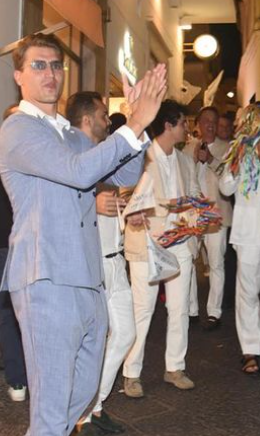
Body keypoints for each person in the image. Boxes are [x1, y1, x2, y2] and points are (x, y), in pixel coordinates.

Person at [0, 33, 165, 435]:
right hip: (46, 277)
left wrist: (132, 122)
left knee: (84, 393)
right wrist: (137, 122)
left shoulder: (71, 134)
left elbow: (123, 173)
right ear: (19, 75)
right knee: (54, 406)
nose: (50, 73)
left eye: (56, 65)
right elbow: (78, 172)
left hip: (88, 279)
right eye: (38, 65)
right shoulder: (18, 129)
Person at [66, 91, 135, 435]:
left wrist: (127, 217)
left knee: (126, 334)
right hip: (90, 266)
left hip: (116, 260)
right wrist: (91, 204)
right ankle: (83, 412)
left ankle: (94, 404)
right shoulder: (68, 155)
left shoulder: (105, 155)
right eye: (103, 115)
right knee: (89, 342)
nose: (109, 120)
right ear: (87, 119)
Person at [123, 99, 199, 397]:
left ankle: (175, 367)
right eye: (183, 123)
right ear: (168, 125)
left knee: (179, 309)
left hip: (179, 242)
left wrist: (197, 215)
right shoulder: (141, 156)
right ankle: (131, 373)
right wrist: (136, 213)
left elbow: (191, 194)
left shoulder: (184, 160)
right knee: (142, 309)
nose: (187, 129)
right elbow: (126, 198)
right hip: (147, 243)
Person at [219, 105, 260, 374]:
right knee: (248, 292)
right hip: (248, 232)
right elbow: (225, 188)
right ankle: (249, 349)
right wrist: (234, 163)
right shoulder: (242, 156)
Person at [186, 106, 233, 330]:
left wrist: (211, 160)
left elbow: (230, 178)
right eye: (206, 120)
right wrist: (195, 160)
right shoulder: (186, 149)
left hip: (218, 214)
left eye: (214, 121)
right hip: (192, 215)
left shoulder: (228, 149)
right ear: (198, 124)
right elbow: (183, 179)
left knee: (216, 263)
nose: (211, 125)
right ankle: (191, 309)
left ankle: (214, 312)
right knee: (189, 261)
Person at [0, 105, 27, 403]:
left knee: (9, 314)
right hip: (15, 242)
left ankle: (19, 380)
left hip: (13, 244)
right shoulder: (29, 155)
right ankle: (22, 377)